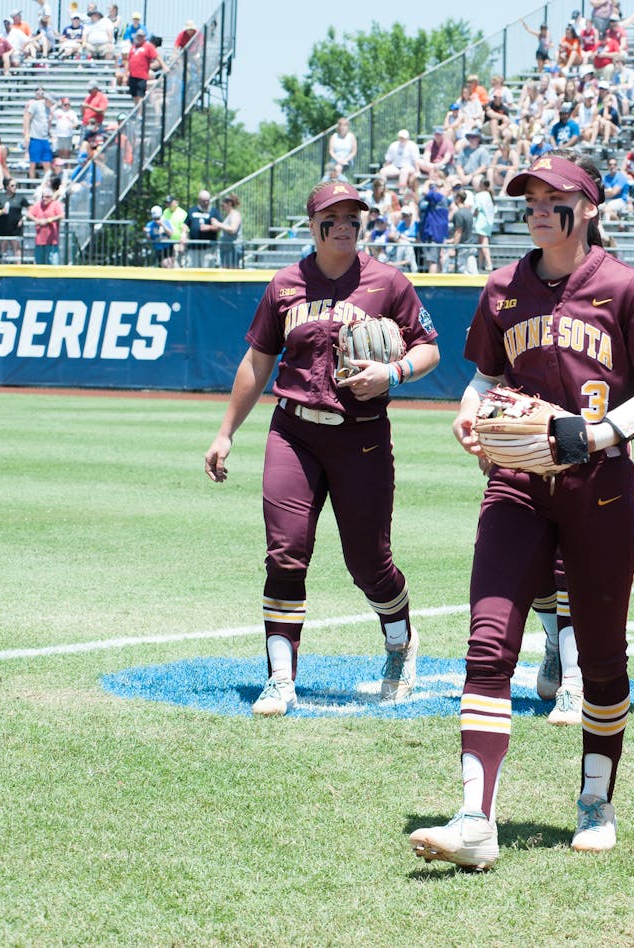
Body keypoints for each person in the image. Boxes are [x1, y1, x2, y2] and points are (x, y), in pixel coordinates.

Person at [408, 150, 634, 870]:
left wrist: (597, 431)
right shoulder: (503, 287)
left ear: (587, 207)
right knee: (488, 643)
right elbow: (485, 375)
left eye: (551, 195)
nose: (535, 206)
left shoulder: (625, 288)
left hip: (601, 489)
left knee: (599, 659)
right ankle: (475, 819)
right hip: (516, 485)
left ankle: (596, 798)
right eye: (528, 196)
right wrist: (469, 413)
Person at [203, 181, 441, 718]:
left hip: (361, 436)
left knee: (369, 564)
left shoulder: (388, 282)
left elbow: (429, 348)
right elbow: (258, 362)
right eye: (331, 217)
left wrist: (393, 371)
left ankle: (401, 643)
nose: (344, 225)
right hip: (294, 433)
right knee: (285, 552)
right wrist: (225, 432)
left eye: (353, 216)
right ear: (312, 224)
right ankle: (281, 678)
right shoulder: (286, 284)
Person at [26, 184, 63, 264]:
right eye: (43, 197)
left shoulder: (56, 204)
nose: (44, 199)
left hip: (52, 241)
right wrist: (37, 220)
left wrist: (48, 220)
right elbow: (29, 214)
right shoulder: (38, 205)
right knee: (39, 264)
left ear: (51, 197)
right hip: (40, 241)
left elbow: (61, 215)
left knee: (53, 264)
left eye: (46, 197)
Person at [185, 189, 220, 267]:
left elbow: (219, 226)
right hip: (193, 248)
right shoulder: (192, 210)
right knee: (192, 271)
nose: (206, 203)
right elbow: (186, 224)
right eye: (204, 201)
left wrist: (209, 227)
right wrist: (183, 235)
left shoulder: (214, 212)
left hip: (208, 249)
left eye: (208, 200)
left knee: (207, 272)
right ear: (199, 200)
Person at [216, 192, 242, 268]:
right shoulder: (229, 215)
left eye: (223, 205)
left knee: (232, 273)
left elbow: (233, 229)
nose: (222, 207)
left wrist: (219, 224)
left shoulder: (235, 214)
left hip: (232, 249)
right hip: (227, 249)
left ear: (229, 203)